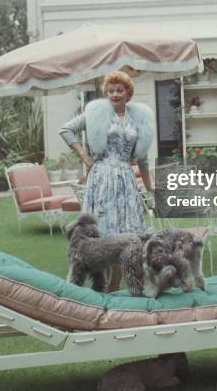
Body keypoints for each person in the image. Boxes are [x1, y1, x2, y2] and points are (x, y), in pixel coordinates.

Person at [59, 70, 155, 291]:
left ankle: (114, 285)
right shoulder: (96, 114)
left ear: (128, 93)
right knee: (104, 231)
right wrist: (85, 155)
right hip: (101, 179)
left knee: (125, 233)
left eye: (119, 90)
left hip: (125, 181)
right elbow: (66, 130)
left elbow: (143, 159)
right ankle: (99, 285)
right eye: (111, 90)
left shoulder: (138, 119)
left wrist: (150, 187)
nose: (114, 94)